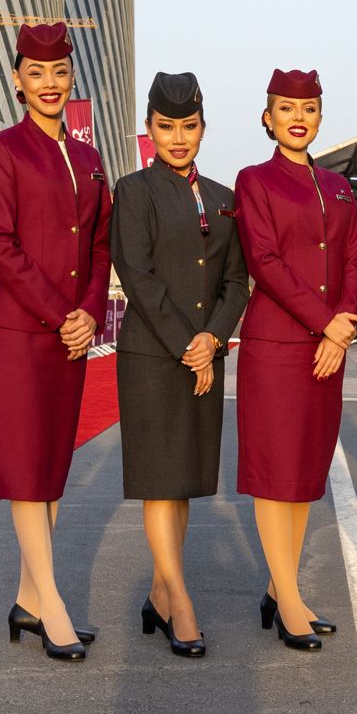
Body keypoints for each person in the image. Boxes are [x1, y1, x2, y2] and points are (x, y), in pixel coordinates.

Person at [0, 21, 111, 662]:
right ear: (17, 79)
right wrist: (62, 313)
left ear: (71, 76)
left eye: (59, 72)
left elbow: (98, 246)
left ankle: (28, 601)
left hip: (71, 335)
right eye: (36, 72)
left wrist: (87, 313)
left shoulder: (88, 158)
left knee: (52, 469)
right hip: (21, 334)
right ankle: (52, 604)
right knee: (28, 471)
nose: (49, 83)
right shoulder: (0, 150)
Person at [110, 71, 248, 658]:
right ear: (149, 129)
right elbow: (136, 276)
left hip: (203, 358)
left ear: (202, 127)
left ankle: (159, 595)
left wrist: (213, 340)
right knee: (159, 484)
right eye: (166, 127)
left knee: (185, 483)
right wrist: (188, 345)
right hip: (151, 355)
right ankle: (181, 604)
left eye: (188, 127)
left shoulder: (223, 198)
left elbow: (237, 281)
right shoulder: (134, 190)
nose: (178, 138)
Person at [235, 68, 357, 650]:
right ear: (267, 117)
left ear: (319, 117)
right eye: (285, 107)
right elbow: (264, 261)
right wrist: (325, 322)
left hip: (327, 349)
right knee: (274, 472)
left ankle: (278, 587)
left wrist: (340, 330)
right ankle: (289, 599)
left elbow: (356, 258)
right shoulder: (254, 180)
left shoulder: (338, 188)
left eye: (308, 108)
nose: (297, 117)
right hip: (277, 346)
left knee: (306, 470)